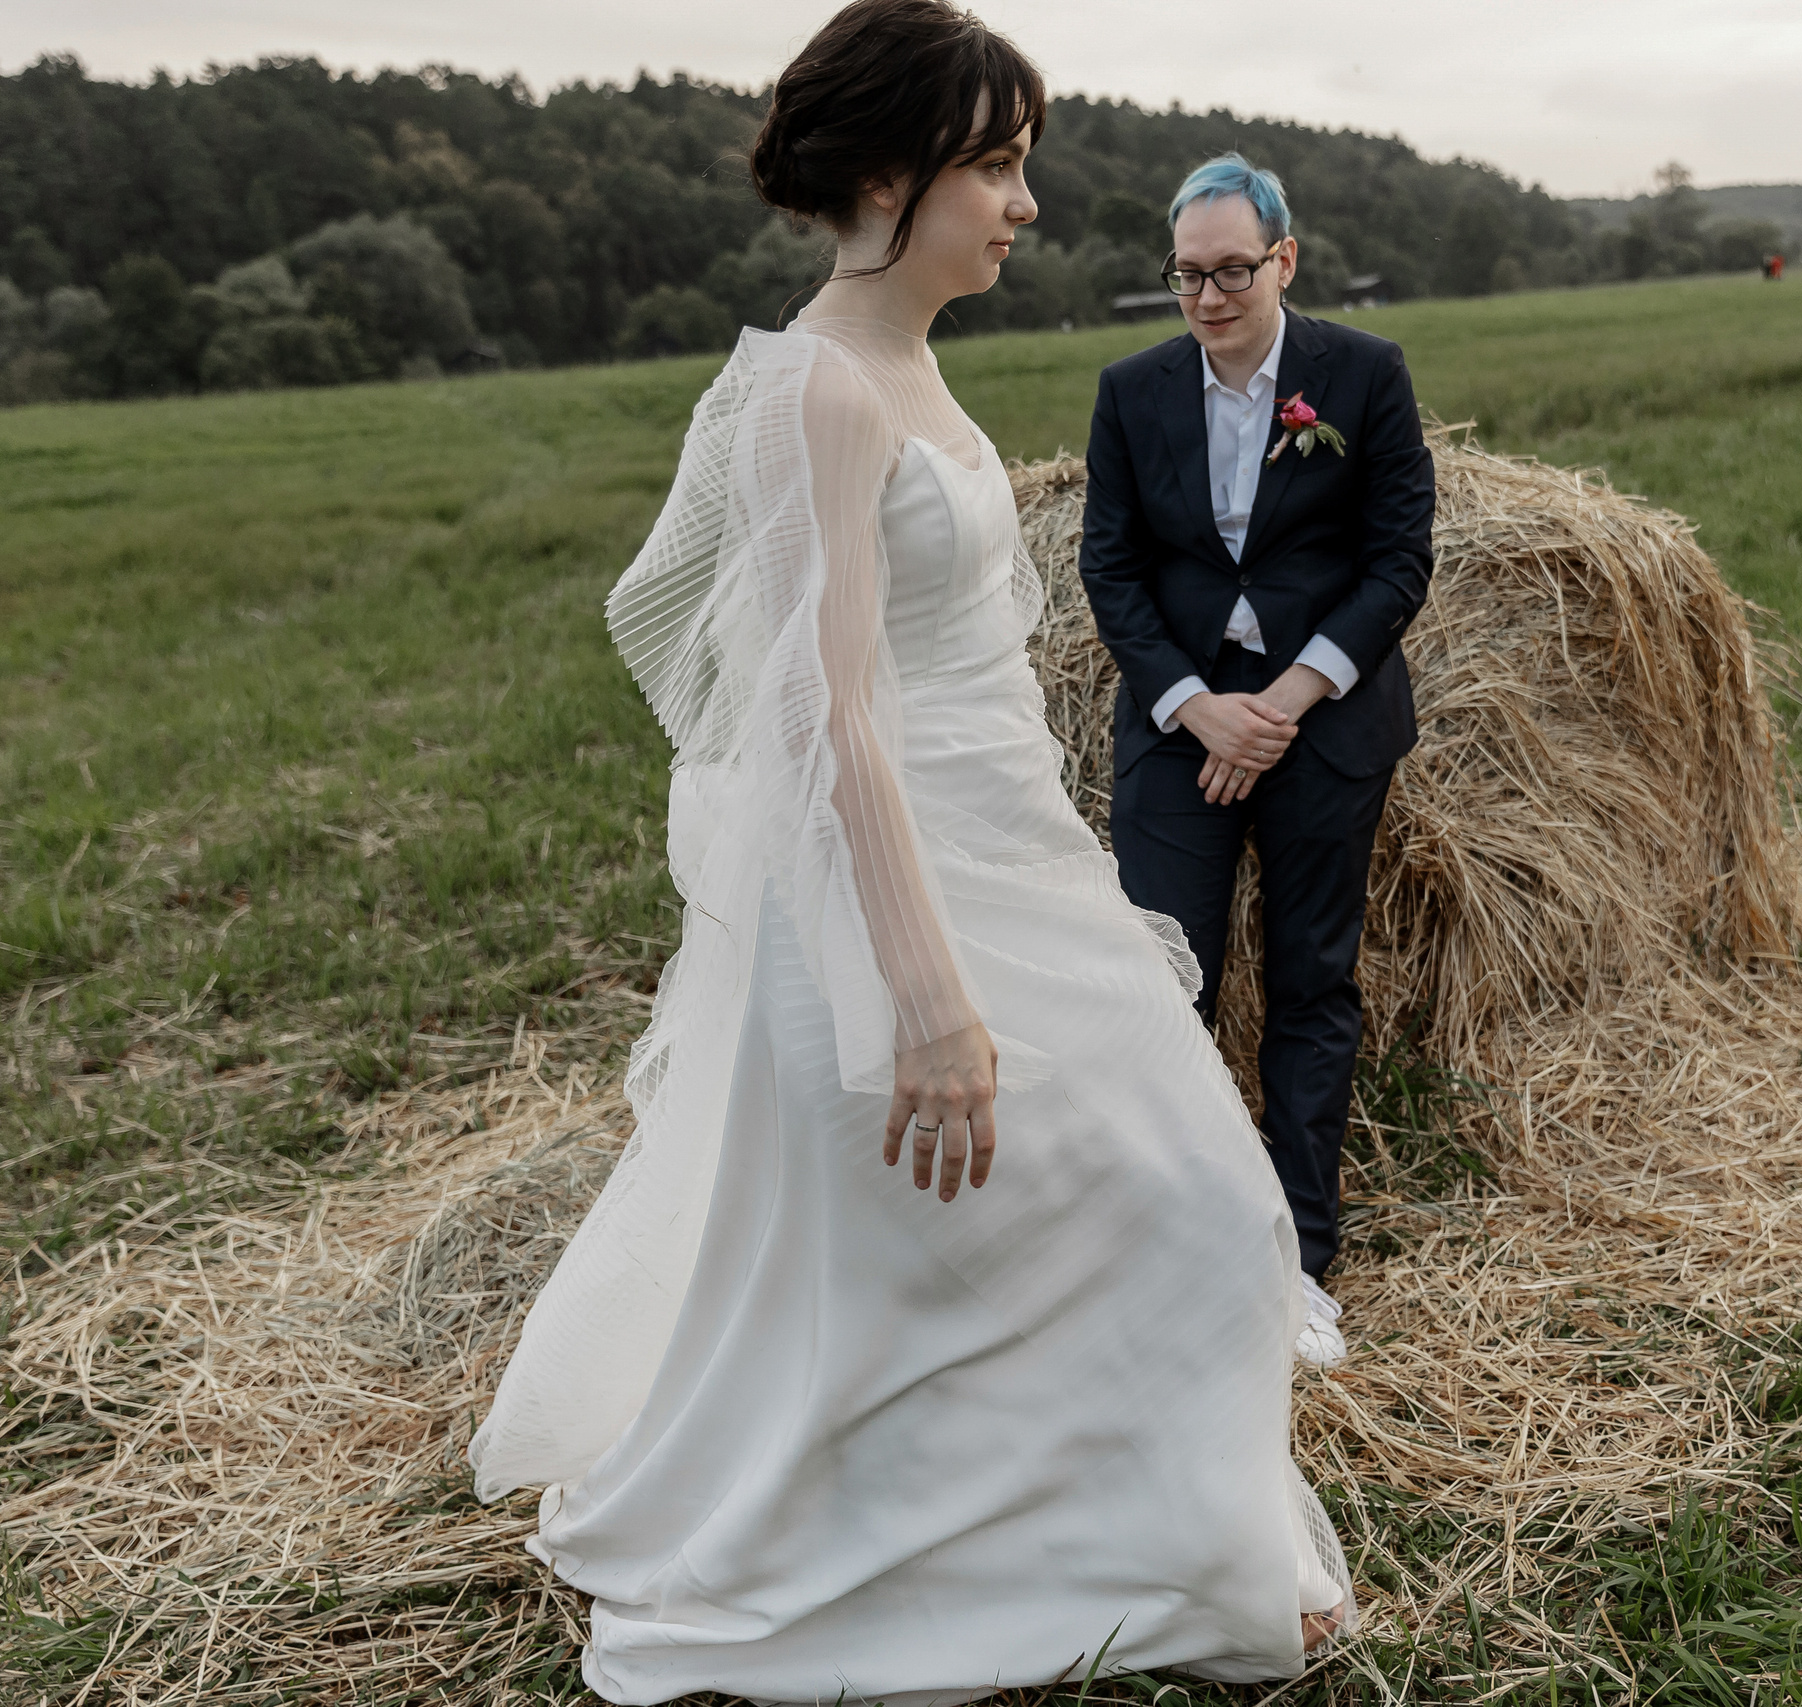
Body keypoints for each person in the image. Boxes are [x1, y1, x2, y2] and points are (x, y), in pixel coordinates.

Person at [467, 4, 1353, 1701]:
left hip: (1006, 838)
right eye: (998, 164)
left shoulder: (907, 360)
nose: (1028, 201)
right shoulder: (815, 387)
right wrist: (924, 997)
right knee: (1077, 1217)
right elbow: (827, 713)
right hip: (900, 885)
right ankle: (1096, 1563)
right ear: (889, 174)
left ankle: (1169, 1542)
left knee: (1196, 1198)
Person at [1078, 156, 1436, 1368]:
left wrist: (1280, 703)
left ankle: (1297, 1266)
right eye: (1187, 275)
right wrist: (1197, 709)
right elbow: (1111, 570)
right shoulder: (1130, 391)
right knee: (1162, 988)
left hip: (1321, 721)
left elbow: (1397, 560)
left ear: (1285, 259)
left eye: (1232, 271)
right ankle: (1171, 1249)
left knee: (1309, 984)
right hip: (1179, 723)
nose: (1208, 298)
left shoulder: (1364, 373)